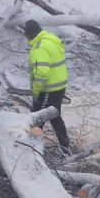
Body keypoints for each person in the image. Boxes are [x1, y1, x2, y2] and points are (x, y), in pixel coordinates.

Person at [23, 20, 71, 156]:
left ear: (30, 34)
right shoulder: (50, 40)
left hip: (48, 88)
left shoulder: (39, 47)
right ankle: (65, 147)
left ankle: (32, 147)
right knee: (54, 116)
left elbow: (41, 72)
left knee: (38, 117)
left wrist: (36, 92)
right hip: (59, 86)